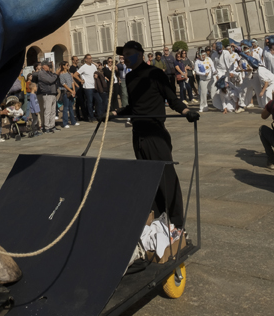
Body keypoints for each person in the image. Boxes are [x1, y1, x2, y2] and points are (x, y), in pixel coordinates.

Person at [112, 41, 198, 230]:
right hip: (138, 134)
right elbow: (133, 106)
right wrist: (115, 114)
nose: (124, 57)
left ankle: (177, 224)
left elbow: (172, 98)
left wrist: (186, 112)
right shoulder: (130, 77)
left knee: (166, 178)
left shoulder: (155, 74)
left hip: (155, 134)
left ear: (140, 54)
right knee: (147, 179)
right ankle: (157, 221)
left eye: (128, 54)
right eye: (123, 55)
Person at [32, 60, 60, 133]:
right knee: (47, 111)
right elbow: (50, 80)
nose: (49, 67)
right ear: (43, 66)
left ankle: (52, 126)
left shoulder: (49, 73)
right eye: (48, 65)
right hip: (47, 93)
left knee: (53, 111)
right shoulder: (41, 73)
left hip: (53, 93)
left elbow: (53, 78)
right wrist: (56, 74)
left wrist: (54, 75)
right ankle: (46, 127)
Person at [76, 54, 99, 123]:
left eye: (91, 58)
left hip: (94, 86)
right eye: (89, 58)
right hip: (87, 87)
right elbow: (75, 74)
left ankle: (98, 115)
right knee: (90, 102)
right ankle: (91, 117)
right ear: (85, 59)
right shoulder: (83, 67)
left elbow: (96, 72)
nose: (90, 59)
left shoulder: (93, 66)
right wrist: (81, 80)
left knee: (99, 100)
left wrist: (96, 75)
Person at [58, 62, 77, 129]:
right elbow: (63, 84)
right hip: (66, 91)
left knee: (71, 106)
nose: (68, 66)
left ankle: (73, 121)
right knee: (66, 107)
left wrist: (74, 90)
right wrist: (71, 90)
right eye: (67, 65)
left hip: (71, 90)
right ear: (63, 66)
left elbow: (72, 81)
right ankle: (65, 122)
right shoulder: (61, 74)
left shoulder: (69, 73)